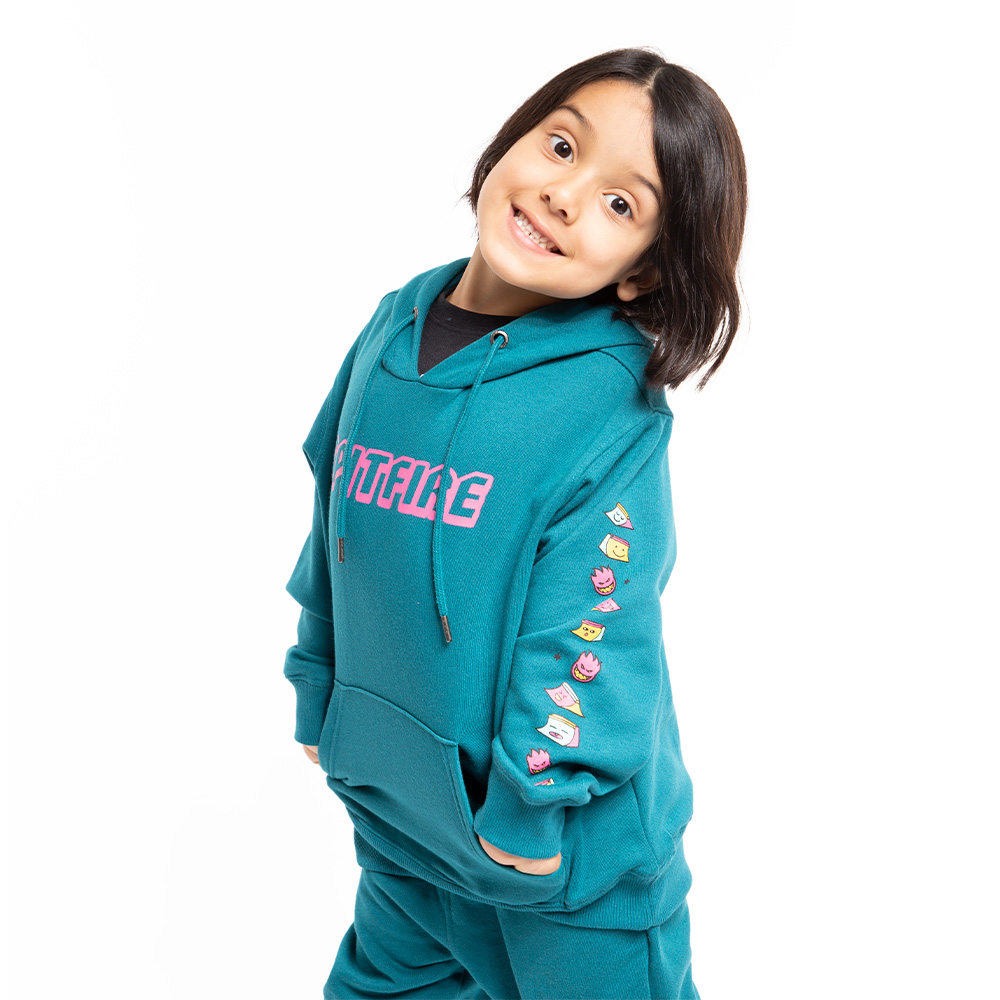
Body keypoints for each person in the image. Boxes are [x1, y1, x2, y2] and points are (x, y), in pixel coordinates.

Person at [283, 46, 747, 1000]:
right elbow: (337, 518)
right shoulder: (394, 323)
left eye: (621, 204)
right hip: (405, 831)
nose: (565, 197)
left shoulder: (607, 409)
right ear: (510, 142)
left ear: (643, 272)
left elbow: (593, 619)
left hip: (564, 875)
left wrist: (533, 804)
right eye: (562, 146)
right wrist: (317, 682)